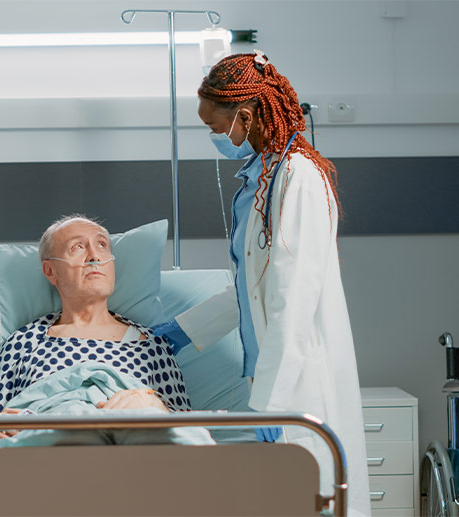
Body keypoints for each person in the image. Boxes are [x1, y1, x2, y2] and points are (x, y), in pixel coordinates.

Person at [151, 51, 370, 516]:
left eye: (215, 128)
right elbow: (255, 286)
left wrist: (276, 404)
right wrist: (183, 331)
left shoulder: (300, 178)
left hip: (298, 383)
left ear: (245, 117)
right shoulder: (261, 178)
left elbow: (293, 299)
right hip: (270, 378)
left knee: (310, 497)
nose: (214, 138)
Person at [0, 215, 204, 448]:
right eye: (77, 247)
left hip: (131, 449)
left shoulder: (150, 346)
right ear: (51, 271)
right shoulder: (24, 343)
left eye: (103, 245)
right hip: (50, 444)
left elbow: (187, 429)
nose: (95, 256)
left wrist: (153, 403)